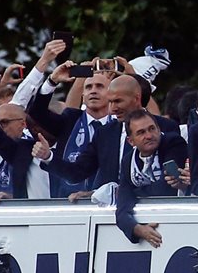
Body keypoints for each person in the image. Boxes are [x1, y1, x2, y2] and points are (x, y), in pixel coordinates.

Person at [38, 75, 178, 190]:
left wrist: (120, 194)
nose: (112, 109)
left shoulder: (166, 127)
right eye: (110, 102)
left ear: (136, 98)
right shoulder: (104, 133)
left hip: (154, 210)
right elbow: (77, 172)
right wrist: (48, 156)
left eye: (117, 101)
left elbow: (170, 181)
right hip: (109, 216)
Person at [24, 40, 114, 199]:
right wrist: (52, 81)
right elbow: (36, 112)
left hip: (107, 204)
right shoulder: (70, 120)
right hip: (67, 203)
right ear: (83, 96)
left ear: (112, 94)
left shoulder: (120, 125)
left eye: (100, 86)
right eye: (88, 87)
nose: (93, 91)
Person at [114, 109, 189, 247]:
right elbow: (122, 210)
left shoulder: (173, 143)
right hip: (157, 234)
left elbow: (165, 190)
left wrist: (135, 192)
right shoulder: (128, 161)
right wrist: (137, 229)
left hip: (181, 221)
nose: (149, 135)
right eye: (141, 132)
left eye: (152, 129)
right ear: (131, 141)